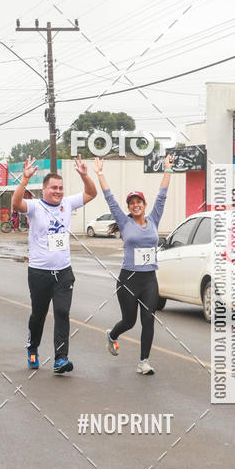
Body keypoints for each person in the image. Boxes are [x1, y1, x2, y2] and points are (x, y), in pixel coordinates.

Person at [12, 155, 96, 374]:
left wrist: (85, 175)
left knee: (61, 312)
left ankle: (61, 358)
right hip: (39, 272)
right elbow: (16, 203)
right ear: (44, 189)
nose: (58, 191)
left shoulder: (67, 203)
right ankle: (32, 348)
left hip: (63, 272)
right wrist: (24, 180)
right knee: (38, 314)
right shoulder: (34, 206)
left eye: (60, 188)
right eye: (53, 188)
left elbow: (91, 193)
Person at [93, 153, 175, 375]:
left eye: (139, 202)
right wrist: (100, 173)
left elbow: (162, 195)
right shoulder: (124, 221)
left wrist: (168, 169)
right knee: (129, 322)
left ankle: (143, 361)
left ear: (144, 204)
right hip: (128, 280)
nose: (135, 205)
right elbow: (109, 197)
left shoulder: (154, 218)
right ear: (128, 207)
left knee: (148, 320)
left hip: (149, 279)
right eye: (132, 203)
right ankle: (112, 335)